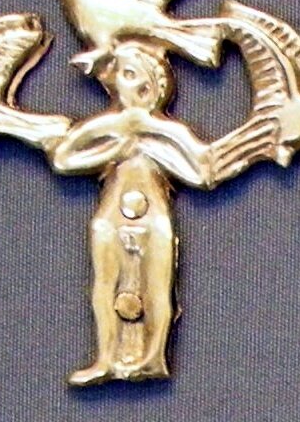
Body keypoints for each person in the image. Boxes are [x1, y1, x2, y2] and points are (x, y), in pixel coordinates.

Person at [49, 41, 211, 385]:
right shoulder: (109, 125)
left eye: (130, 73)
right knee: (103, 286)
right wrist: (117, 147)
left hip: (154, 218)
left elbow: (200, 173)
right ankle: (106, 359)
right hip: (111, 216)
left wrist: (150, 138)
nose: (121, 80)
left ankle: (154, 358)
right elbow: (63, 159)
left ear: (150, 86)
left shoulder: (167, 130)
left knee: (157, 288)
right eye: (121, 73)